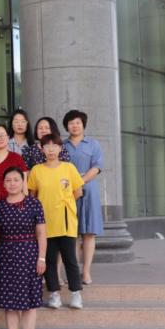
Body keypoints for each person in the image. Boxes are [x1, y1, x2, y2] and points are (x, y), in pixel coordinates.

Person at [0, 167, 47, 329]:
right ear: (3, 183)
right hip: (6, 255)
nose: (12, 183)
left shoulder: (34, 203)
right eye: (8, 180)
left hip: (29, 254)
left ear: (23, 182)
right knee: (10, 304)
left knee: (29, 304)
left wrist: (42, 258)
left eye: (16, 180)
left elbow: (41, 233)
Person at [28, 135, 85, 310]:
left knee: (70, 259)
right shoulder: (36, 170)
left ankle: (76, 293)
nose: (51, 149)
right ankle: (54, 294)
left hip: (66, 221)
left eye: (55, 146)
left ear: (61, 148)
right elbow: (32, 195)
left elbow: (78, 192)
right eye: (47, 146)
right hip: (45, 222)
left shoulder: (69, 167)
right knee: (49, 259)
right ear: (41, 149)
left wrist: (63, 204)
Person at [63, 109, 104, 286]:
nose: (75, 126)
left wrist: (80, 181)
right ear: (66, 126)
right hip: (67, 191)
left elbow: (97, 167)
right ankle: (72, 272)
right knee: (71, 233)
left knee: (88, 232)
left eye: (78, 122)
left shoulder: (93, 144)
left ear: (83, 125)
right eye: (71, 123)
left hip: (89, 190)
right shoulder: (62, 145)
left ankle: (86, 272)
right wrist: (73, 184)